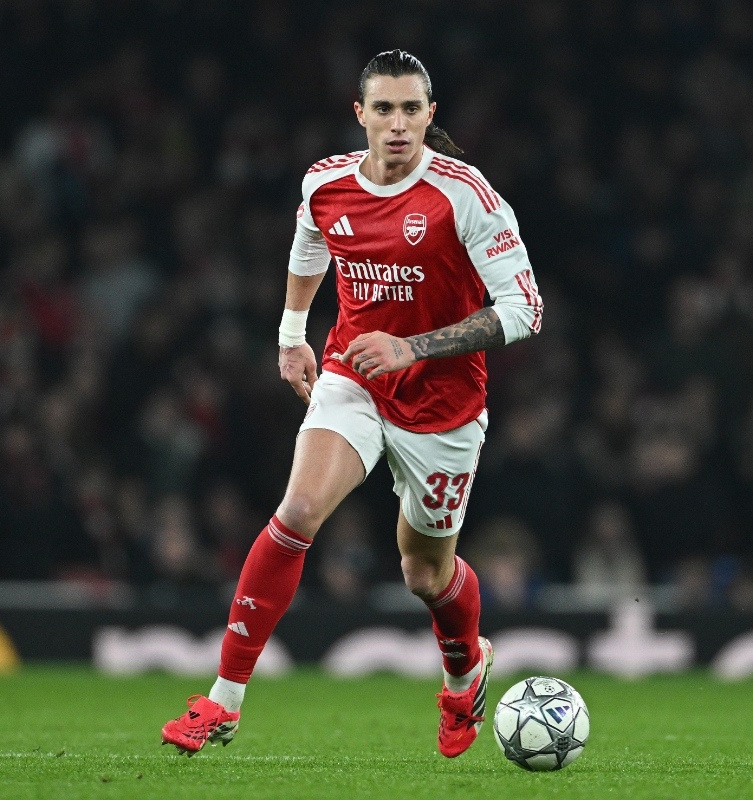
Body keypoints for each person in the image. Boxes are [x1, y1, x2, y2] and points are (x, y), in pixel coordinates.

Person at [161, 50, 543, 758]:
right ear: (360, 113)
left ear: (430, 115)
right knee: (299, 510)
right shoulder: (326, 183)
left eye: (411, 109)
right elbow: (310, 246)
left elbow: (526, 310)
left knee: (424, 573)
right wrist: (291, 336)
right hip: (354, 375)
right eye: (385, 109)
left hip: (444, 405)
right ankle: (223, 701)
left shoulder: (465, 195)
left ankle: (465, 670)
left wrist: (411, 347)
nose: (398, 124)